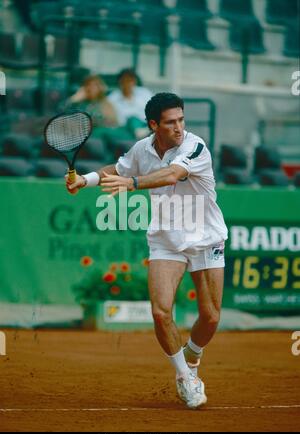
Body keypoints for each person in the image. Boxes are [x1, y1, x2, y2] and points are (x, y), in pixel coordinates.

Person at [66, 93, 228, 409]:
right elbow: (118, 167)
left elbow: (172, 174)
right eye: (170, 122)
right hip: (166, 239)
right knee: (160, 311)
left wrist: (133, 183)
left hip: (204, 238)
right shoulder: (143, 148)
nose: (179, 127)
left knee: (209, 317)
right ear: (154, 125)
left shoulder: (195, 147)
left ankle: (193, 353)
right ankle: (185, 377)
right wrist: (83, 180)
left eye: (181, 119)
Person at [108, 68, 152, 139]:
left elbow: (154, 110)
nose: (128, 83)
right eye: (125, 80)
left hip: (145, 125)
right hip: (125, 128)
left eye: (131, 80)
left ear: (135, 81)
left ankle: (141, 133)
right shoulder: (112, 98)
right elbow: (113, 119)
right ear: (120, 82)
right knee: (132, 119)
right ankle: (139, 134)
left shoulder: (144, 93)